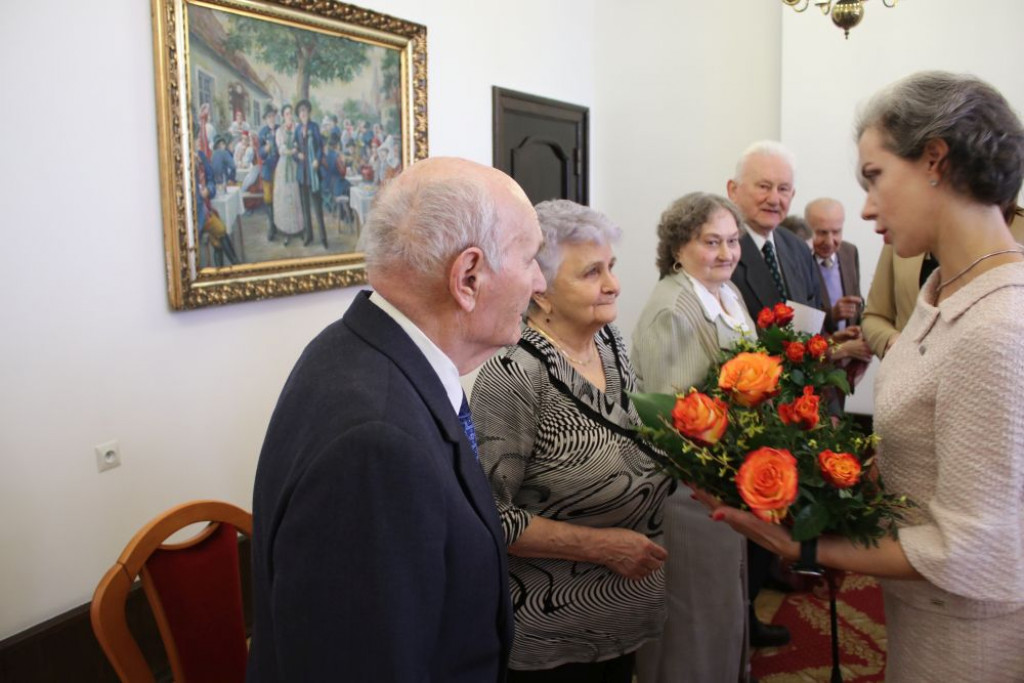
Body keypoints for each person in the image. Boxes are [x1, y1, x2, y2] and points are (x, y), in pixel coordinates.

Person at [701, 71, 1024, 681]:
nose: (867, 207)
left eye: (874, 178)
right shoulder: (940, 289)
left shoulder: (999, 324)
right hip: (923, 616)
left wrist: (805, 545)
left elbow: (978, 550)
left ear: (935, 159)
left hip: (971, 641)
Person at [248, 157, 545, 682]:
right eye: (530, 259)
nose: (540, 282)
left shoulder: (359, 345)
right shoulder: (378, 446)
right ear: (468, 277)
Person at [471, 199, 672, 683]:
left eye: (612, 267)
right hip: (551, 628)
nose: (613, 284)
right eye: (591, 273)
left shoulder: (610, 343)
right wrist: (602, 547)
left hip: (620, 613)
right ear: (541, 293)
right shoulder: (514, 375)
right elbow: (488, 519)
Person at [632, 193, 754, 683]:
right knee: (693, 617)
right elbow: (676, 421)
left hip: (725, 481)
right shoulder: (673, 309)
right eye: (712, 242)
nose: (726, 253)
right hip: (690, 490)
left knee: (721, 602)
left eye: (733, 241)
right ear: (679, 248)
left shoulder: (727, 292)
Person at [725, 140, 824, 648]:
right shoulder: (719, 245)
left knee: (773, 515)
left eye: (784, 188)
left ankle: (753, 612)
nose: (775, 198)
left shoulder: (793, 246)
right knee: (744, 526)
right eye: (763, 186)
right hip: (743, 411)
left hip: (792, 411)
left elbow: (816, 313)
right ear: (733, 190)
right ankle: (737, 622)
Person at [805, 198, 872, 388]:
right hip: (814, 365)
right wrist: (832, 314)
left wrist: (860, 328)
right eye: (821, 233)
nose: (830, 241)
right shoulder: (799, 258)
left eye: (836, 232)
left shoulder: (850, 252)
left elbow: (857, 300)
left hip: (845, 366)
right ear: (809, 231)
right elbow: (799, 314)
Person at [294, 99, 328, 248]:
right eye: (301, 112)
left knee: (317, 208)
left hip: (313, 174)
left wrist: (317, 161)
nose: (303, 114)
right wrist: (297, 156)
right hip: (303, 175)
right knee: (305, 208)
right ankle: (309, 236)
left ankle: (323, 238)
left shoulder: (314, 127)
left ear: (309, 113)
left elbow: (321, 147)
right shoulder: (297, 130)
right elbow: (295, 150)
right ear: (299, 115)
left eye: (305, 111)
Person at [271, 104, 304, 245]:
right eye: (287, 113)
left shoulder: (297, 128)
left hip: (294, 165)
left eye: (291, 113)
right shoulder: (279, 131)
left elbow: (299, 144)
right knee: (284, 197)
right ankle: (286, 231)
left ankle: (298, 229)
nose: (289, 116)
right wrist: (291, 150)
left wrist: (295, 149)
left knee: (295, 196)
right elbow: (281, 149)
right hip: (284, 165)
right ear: (283, 116)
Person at [257, 104, 280, 242]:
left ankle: (279, 224)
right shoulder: (262, 133)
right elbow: (259, 153)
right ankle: (271, 225)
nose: (271, 118)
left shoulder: (279, 130)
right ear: (265, 119)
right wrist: (265, 149)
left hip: (279, 169)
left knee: (279, 196)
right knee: (268, 198)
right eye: (268, 117)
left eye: (273, 116)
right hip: (267, 170)